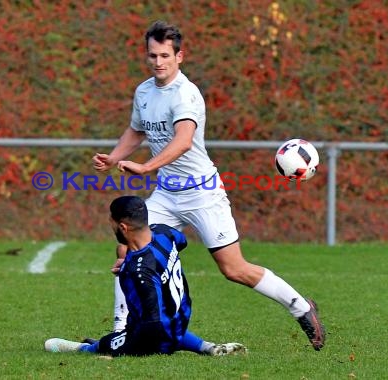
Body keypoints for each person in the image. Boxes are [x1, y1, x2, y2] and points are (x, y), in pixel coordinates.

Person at [92, 21, 325, 351]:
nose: (158, 62)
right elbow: (137, 131)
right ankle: (122, 328)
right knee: (128, 246)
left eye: (164, 56)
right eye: (152, 56)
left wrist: (145, 166)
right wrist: (114, 158)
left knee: (234, 269)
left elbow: (183, 141)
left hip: (202, 194)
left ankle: (301, 307)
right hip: (167, 194)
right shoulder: (144, 92)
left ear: (179, 56)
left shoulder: (186, 94)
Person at [44, 196, 246, 356]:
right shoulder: (164, 233)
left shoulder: (139, 271)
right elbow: (181, 241)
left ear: (123, 227)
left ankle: (84, 348)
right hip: (179, 319)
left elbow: (152, 326)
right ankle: (206, 347)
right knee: (164, 322)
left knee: (107, 343)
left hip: (157, 335)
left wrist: (122, 351)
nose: (111, 227)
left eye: (111, 223)